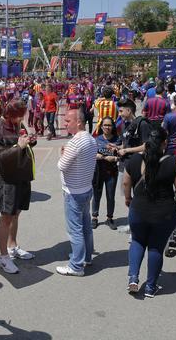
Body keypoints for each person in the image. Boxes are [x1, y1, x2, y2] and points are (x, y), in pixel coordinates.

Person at [122, 127, 176, 297]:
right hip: (164, 214)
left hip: (138, 210)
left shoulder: (134, 160)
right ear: (165, 143)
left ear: (146, 144)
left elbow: (125, 183)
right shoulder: (173, 162)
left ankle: (133, 278)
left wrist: (128, 198)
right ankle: (151, 287)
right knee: (155, 248)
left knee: (137, 242)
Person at [0, 99, 36, 274]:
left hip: (21, 175)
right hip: (7, 180)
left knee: (16, 214)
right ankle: (3, 257)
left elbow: (21, 144)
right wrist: (18, 146)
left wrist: (29, 141)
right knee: (6, 217)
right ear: (9, 115)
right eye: (18, 117)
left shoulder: (16, 125)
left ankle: (12, 246)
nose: (21, 120)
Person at [56, 109, 97, 276]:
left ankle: (76, 266)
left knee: (75, 230)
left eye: (67, 121)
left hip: (74, 192)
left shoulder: (74, 143)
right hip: (86, 188)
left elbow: (61, 165)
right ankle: (86, 257)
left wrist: (63, 154)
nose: (65, 124)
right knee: (86, 226)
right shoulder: (90, 138)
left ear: (78, 122)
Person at [92, 116, 120, 230]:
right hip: (98, 171)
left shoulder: (117, 140)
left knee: (110, 195)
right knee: (96, 195)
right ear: (101, 126)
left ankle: (110, 218)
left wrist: (116, 158)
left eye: (109, 125)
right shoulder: (96, 139)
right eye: (105, 125)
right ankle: (94, 217)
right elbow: (90, 154)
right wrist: (101, 156)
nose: (107, 127)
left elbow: (121, 155)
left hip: (112, 172)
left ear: (113, 126)